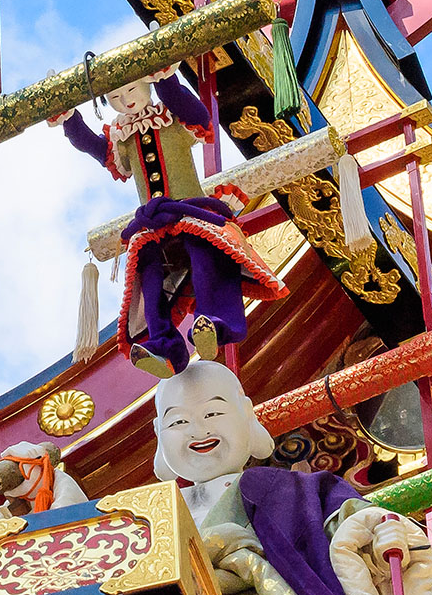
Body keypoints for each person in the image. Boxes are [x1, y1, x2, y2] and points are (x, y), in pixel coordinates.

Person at [152, 361, 432, 595]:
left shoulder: (287, 491)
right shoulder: (150, 518)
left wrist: (375, 532)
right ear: (158, 433)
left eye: (212, 414)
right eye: (178, 421)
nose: (197, 430)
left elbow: (343, 525)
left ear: (246, 414)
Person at [51, 66, 287, 377]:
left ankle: (214, 323)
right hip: (153, 223)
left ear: (145, 83)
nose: (126, 101)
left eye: (131, 90)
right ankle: (163, 347)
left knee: (206, 257)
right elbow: (93, 146)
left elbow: (196, 113)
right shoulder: (123, 138)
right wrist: (68, 118)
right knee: (150, 280)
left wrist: (165, 78)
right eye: (115, 97)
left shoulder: (172, 118)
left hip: (190, 210)